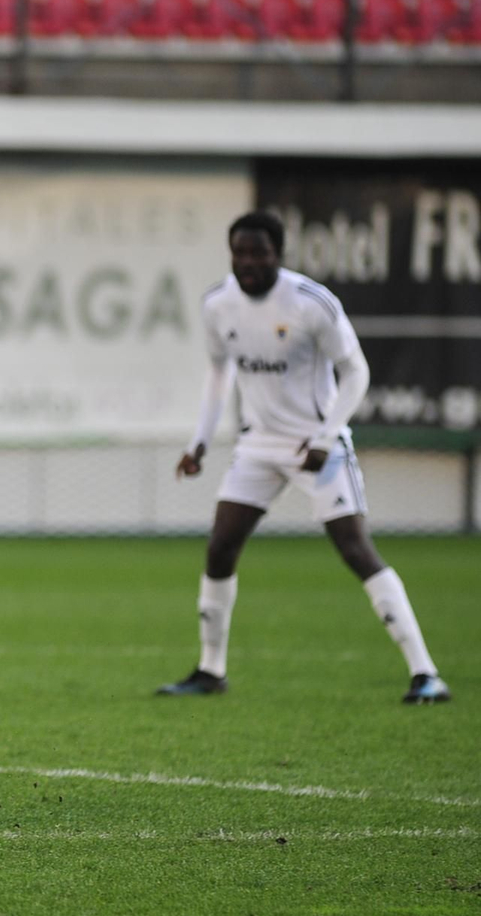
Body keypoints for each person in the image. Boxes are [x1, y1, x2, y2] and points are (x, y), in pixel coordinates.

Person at [159, 210, 449, 704]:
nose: (248, 263)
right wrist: (200, 442)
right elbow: (218, 374)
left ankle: (426, 673)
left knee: (356, 550)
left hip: (319, 445)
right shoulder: (217, 304)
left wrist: (325, 436)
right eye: (240, 253)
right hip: (258, 445)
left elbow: (355, 373)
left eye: (258, 253)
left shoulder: (311, 302)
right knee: (220, 548)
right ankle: (211, 671)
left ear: (278, 254)